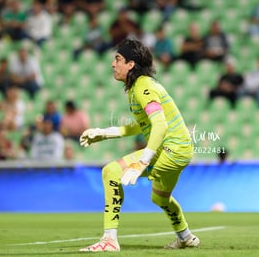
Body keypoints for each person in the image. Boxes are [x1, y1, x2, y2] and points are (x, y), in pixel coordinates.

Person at [79, 39, 199, 252]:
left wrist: (142, 161)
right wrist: (104, 133)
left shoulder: (143, 86)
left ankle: (109, 239)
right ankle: (186, 237)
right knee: (160, 198)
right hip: (177, 150)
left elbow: (160, 125)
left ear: (131, 64)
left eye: (118, 59)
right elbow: (141, 125)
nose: (112, 64)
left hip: (170, 151)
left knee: (111, 172)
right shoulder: (139, 86)